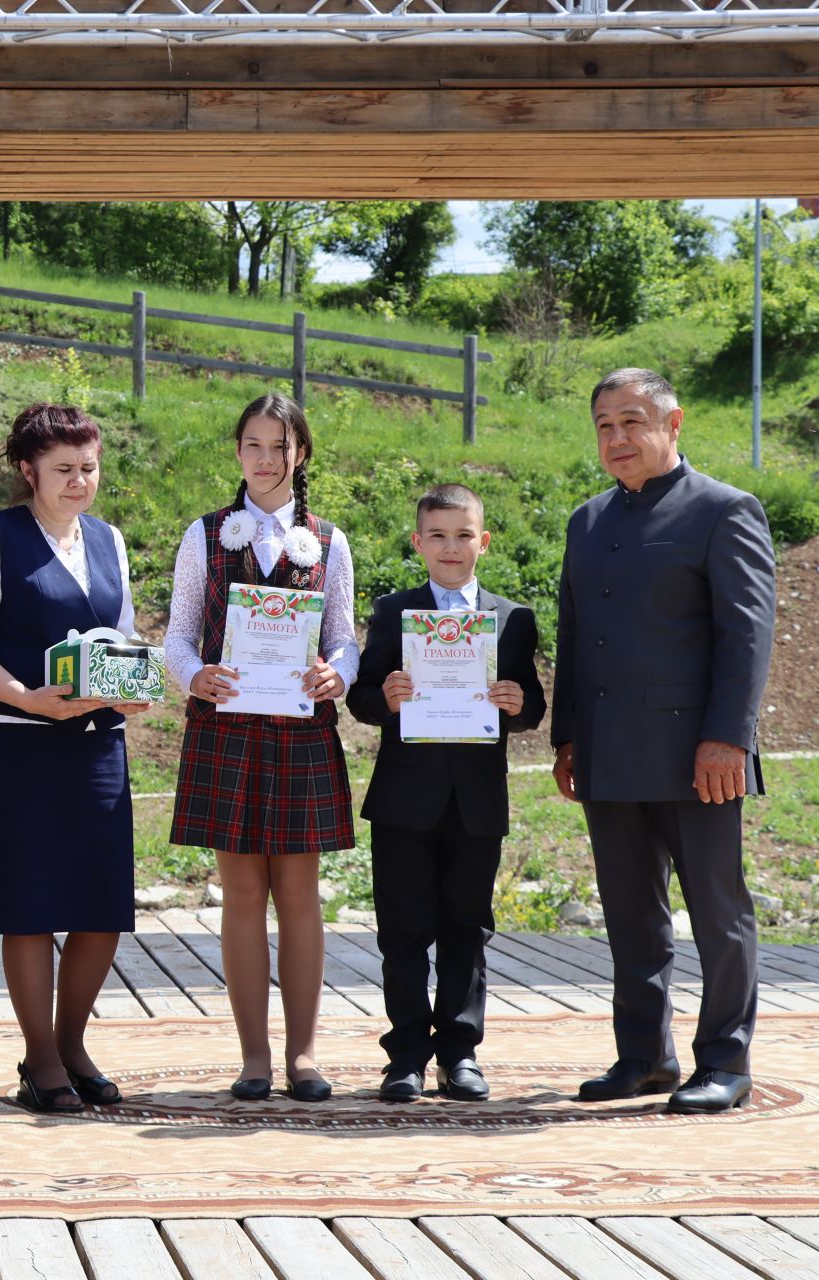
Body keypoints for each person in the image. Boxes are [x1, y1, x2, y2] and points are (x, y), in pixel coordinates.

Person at [554, 368, 776, 1116]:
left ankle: (725, 1061)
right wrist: (568, 738)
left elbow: (746, 636)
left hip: (698, 755)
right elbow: (575, 635)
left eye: (632, 421)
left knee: (718, 911)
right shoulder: (586, 521)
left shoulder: (724, 511)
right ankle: (644, 1056)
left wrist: (728, 740)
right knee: (629, 913)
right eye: (604, 425)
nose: (617, 438)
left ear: (672, 424)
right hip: (609, 752)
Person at [0, 404, 149, 1113]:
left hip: (98, 747)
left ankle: (71, 1043)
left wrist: (131, 691)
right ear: (28, 470)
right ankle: (39, 1059)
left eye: (89, 468)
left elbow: (121, 638)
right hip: (21, 742)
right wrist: (28, 698)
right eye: (63, 469)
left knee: (101, 909)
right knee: (29, 908)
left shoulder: (109, 540)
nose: (78, 481)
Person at [166, 391, 357, 1103]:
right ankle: (254, 1058)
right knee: (242, 895)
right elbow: (178, 634)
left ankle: (305, 1056)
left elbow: (343, 634)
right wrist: (195, 674)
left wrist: (341, 670)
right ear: (237, 450)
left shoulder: (329, 541)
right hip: (227, 731)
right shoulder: (203, 535)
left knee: (300, 895)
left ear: (300, 453)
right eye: (253, 444)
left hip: (302, 733)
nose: (266, 458)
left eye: (280, 445)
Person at [347, 483, 546, 1103]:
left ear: (483, 542)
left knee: (467, 929)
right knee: (401, 933)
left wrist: (517, 705)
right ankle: (404, 1056)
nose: (451, 546)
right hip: (405, 800)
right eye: (437, 535)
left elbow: (531, 705)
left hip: (478, 802)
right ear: (418, 542)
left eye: (463, 535)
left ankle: (460, 1055)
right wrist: (387, 697)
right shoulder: (392, 612)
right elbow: (360, 699)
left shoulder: (512, 619)